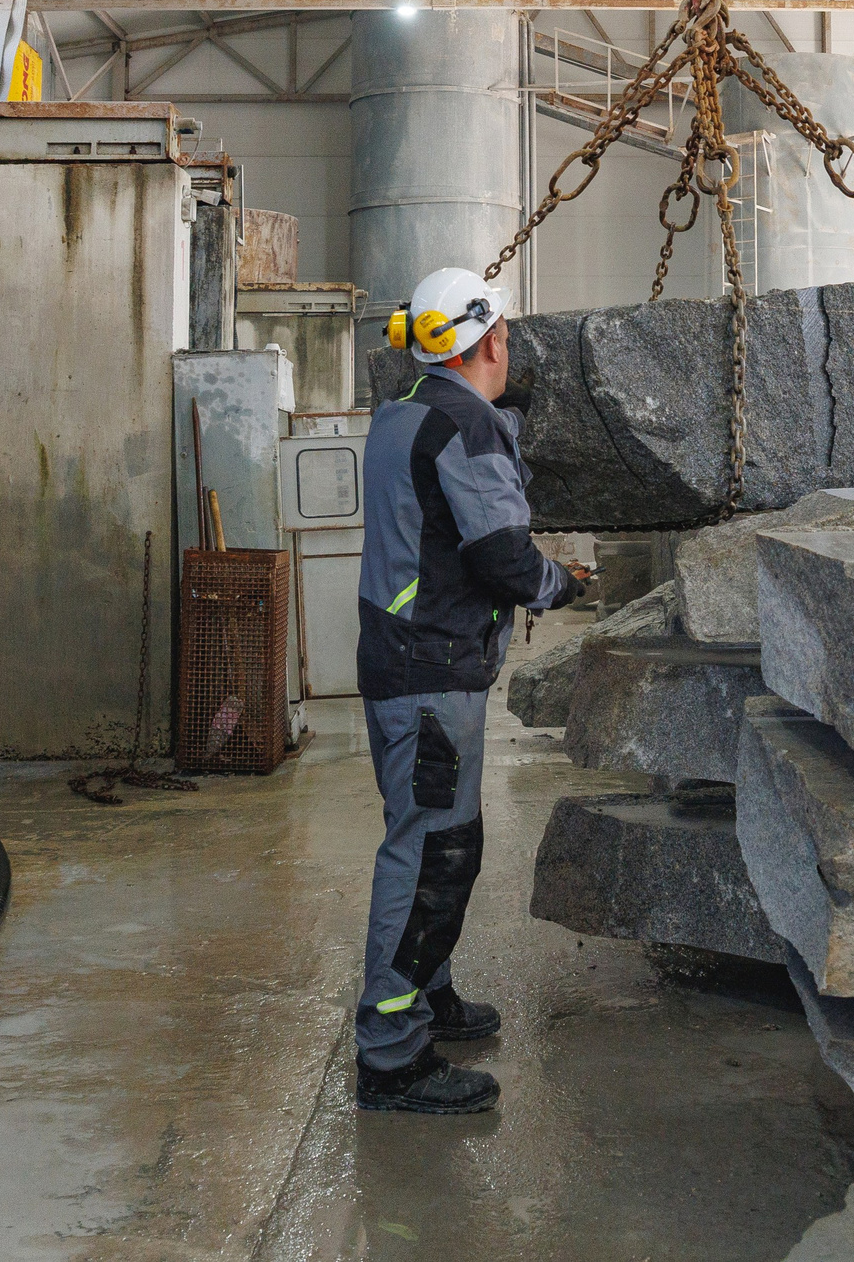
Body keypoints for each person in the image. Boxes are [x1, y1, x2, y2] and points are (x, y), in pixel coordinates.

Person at [353, 267, 586, 1116]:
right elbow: (505, 562)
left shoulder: (401, 411)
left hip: (399, 665)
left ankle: (430, 992)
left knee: (433, 839)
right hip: (432, 674)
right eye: (508, 336)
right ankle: (390, 1053)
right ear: (491, 341)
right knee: (430, 856)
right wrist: (567, 585)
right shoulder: (467, 424)